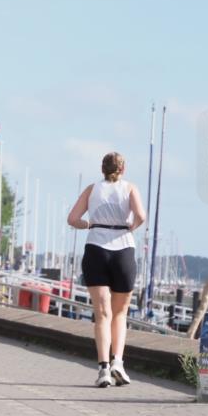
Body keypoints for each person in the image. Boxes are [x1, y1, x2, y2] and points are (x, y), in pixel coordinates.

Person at [67, 152, 146, 388]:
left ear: (102, 169)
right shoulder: (130, 188)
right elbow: (141, 215)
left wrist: (88, 224)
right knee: (120, 313)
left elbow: (72, 218)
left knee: (102, 313)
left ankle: (102, 369)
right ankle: (118, 363)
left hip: (96, 249)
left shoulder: (92, 189)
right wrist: (130, 226)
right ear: (122, 169)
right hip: (123, 249)